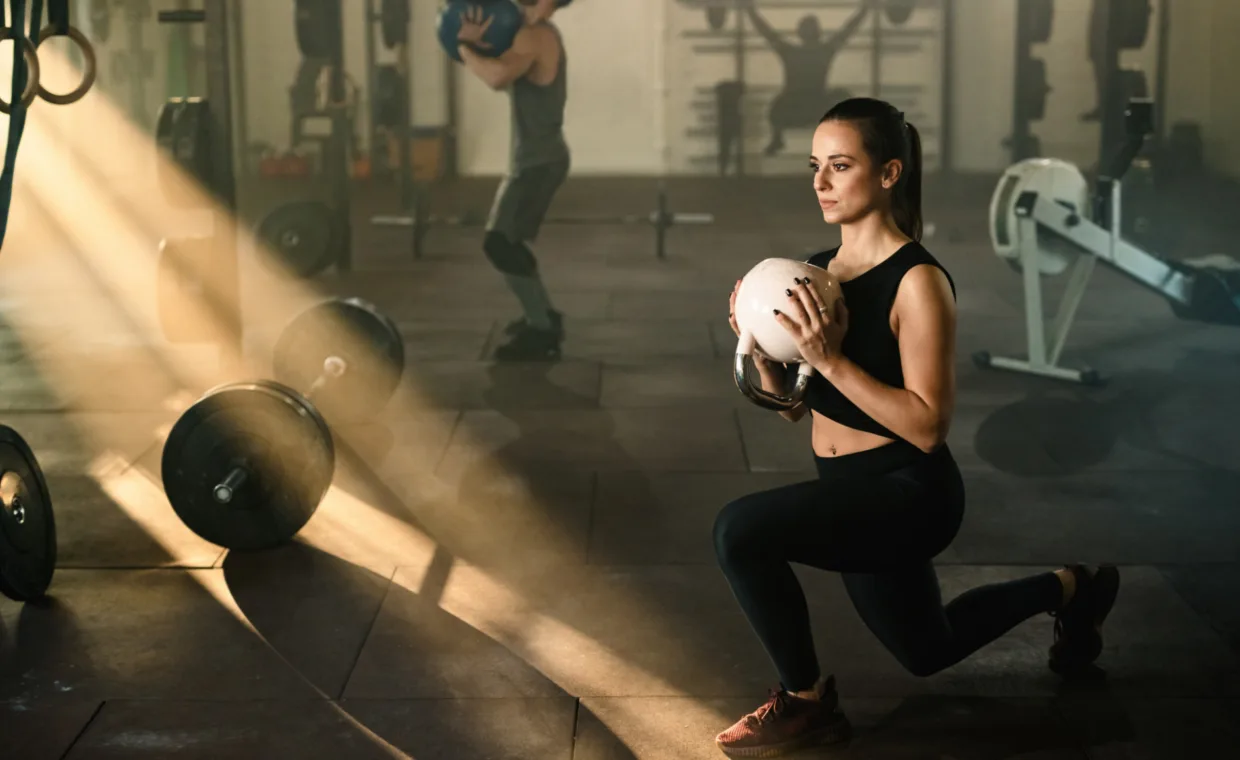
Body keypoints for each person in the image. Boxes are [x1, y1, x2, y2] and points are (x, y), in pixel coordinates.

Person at [713, 97, 1121, 757]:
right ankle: (1071, 588)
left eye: (840, 166)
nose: (820, 182)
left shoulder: (919, 281)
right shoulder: (816, 271)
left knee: (738, 530)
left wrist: (827, 358)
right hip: (848, 487)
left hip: (908, 493)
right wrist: (763, 354)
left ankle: (808, 704)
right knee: (928, 650)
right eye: (815, 165)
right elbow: (794, 406)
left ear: (889, 173)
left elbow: (929, 426)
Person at [456, 0, 568, 360]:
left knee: (499, 244)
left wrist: (463, 47)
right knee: (510, 241)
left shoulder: (534, 35)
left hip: (538, 161)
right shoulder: (537, 35)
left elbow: (496, 77)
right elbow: (505, 71)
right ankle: (542, 314)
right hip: (537, 158)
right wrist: (479, 47)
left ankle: (542, 330)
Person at [743, 0, 872, 157]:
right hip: (817, 107)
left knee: (778, 104)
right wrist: (865, 9)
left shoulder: (790, 53)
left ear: (800, 33)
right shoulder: (824, 52)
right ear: (819, 33)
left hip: (792, 108)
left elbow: (767, 33)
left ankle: (777, 137)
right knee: (843, 96)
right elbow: (847, 30)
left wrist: (750, 10)